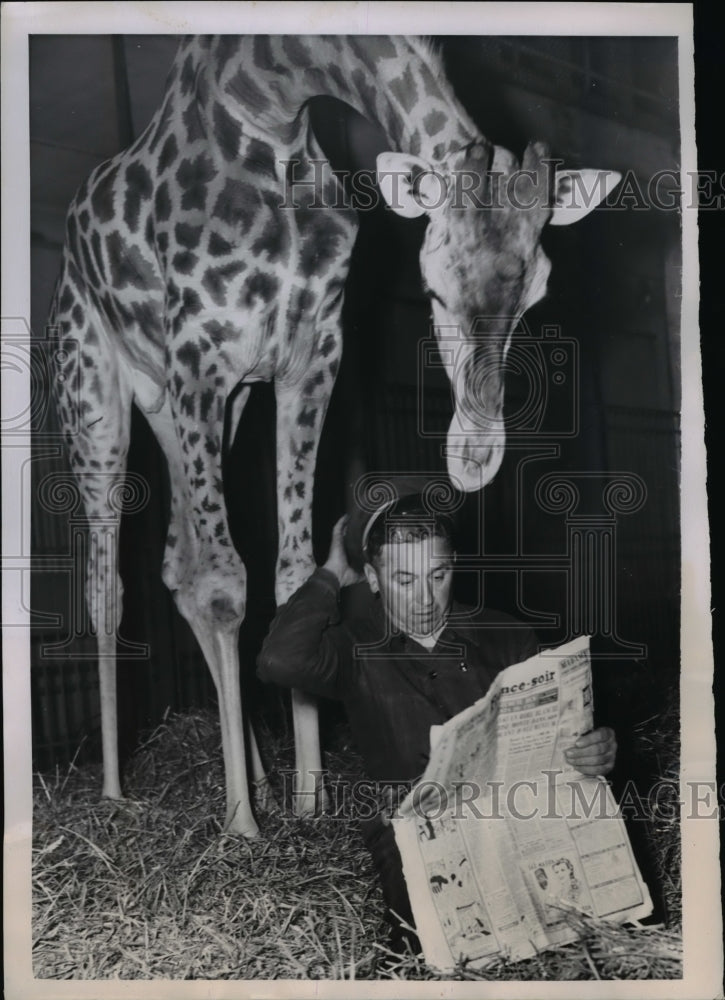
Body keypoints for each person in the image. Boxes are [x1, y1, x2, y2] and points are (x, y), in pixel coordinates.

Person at [256, 493, 617, 953]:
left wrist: (594, 749)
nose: (425, 599)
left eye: (438, 576)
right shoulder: (354, 650)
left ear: (454, 568)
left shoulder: (508, 635)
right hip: (414, 827)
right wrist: (329, 576)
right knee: (432, 952)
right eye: (404, 580)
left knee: (582, 938)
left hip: (514, 810)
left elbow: (561, 739)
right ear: (373, 578)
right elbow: (278, 660)